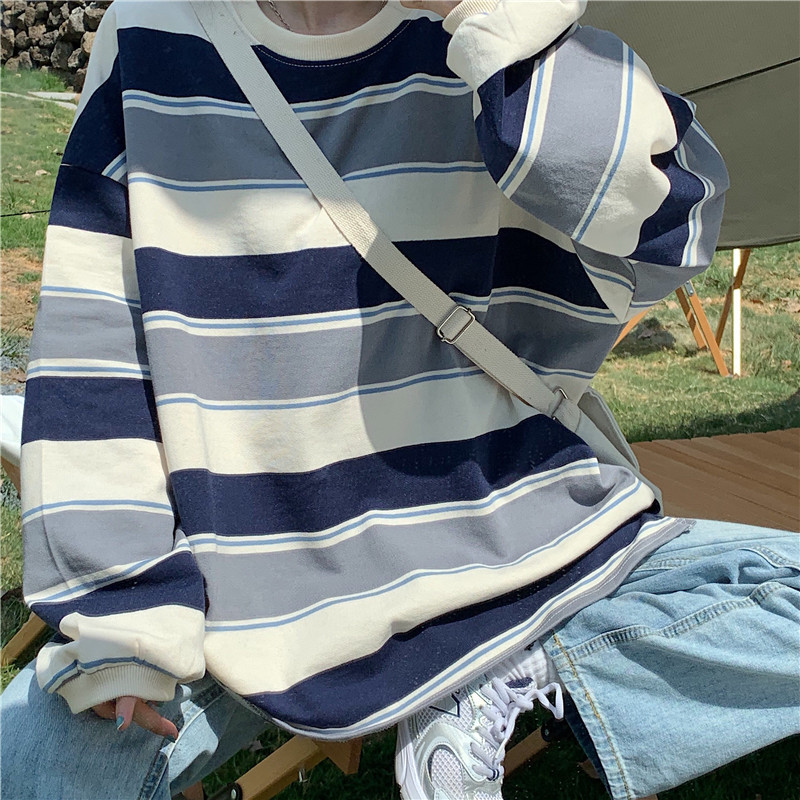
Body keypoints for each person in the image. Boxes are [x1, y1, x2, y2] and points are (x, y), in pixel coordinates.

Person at [1, 1, 797, 799]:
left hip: (518, 536)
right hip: (255, 590)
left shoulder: (483, 32)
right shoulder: (153, 32)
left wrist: (493, 24)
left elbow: (673, 225)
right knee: (31, 761)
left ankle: (501, 675)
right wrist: (126, 608)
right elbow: (96, 348)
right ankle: (495, 673)